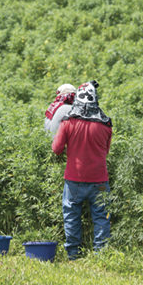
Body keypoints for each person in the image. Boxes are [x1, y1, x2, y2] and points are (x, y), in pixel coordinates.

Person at [52, 80, 113, 260]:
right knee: (102, 216)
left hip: (74, 179)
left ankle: (73, 254)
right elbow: (106, 151)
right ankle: (101, 254)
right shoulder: (105, 125)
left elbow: (56, 148)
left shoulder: (68, 123)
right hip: (100, 179)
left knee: (72, 215)